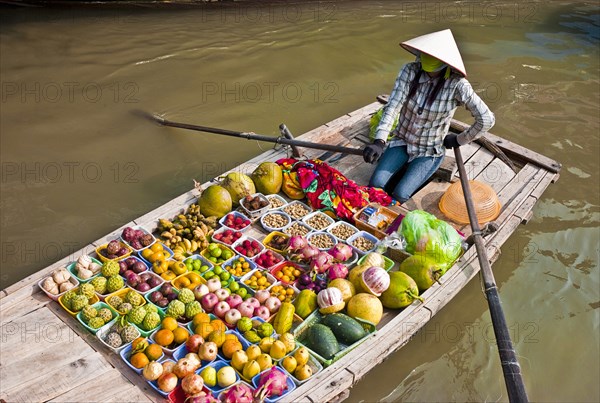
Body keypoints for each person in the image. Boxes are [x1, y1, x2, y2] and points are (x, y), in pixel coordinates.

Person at [363, 29, 495, 203]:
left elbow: (486, 119)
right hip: (402, 141)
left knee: (400, 194)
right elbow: (393, 106)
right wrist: (379, 141)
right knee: (376, 185)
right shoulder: (409, 71)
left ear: (445, 62)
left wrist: (459, 139)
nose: (427, 66)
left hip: (429, 151)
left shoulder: (458, 85)